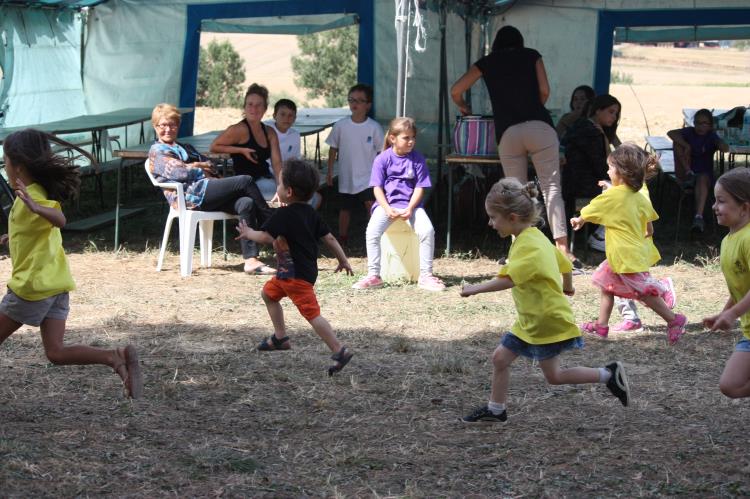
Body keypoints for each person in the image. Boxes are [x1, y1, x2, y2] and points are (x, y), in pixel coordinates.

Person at [460, 177, 630, 423]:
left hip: (545, 320)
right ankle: (496, 410)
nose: (490, 223)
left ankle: (608, 375)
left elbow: (509, 279)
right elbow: (565, 265)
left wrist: (474, 289)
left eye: (493, 217)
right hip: (532, 319)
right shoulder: (532, 237)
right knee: (501, 359)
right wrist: (568, 287)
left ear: (513, 218)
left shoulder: (530, 246)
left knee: (554, 376)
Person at [0, 129, 142, 398]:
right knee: (56, 352)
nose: (4, 165)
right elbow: (38, 231)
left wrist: (36, 207)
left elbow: (58, 219)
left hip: (32, 288)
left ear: (17, 166)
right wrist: (13, 236)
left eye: (5, 160)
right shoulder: (35, 193)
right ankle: (115, 356)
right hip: (56, 286)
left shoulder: (33, 197)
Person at [450, 25, 579, 268]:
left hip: (507, 131)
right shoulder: (531, 55)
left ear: (496, 44)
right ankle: (562, 248)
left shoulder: (486, 62)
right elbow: (544, 90)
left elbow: (455, 90)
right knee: (551, 189)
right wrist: (533, 107)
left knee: (518, 193)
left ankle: (519, 250)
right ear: (519, 41)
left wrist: (463, 106)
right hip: (540, 126)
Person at [236, 159, 354, 375]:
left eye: (279, 185)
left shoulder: (283, 215)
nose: (277, 189)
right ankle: (280, 338)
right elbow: (329, 238)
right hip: (292, 274)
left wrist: (248, 232)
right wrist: (343, 260)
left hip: (294, 277)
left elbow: (264, 236)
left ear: (288, 191)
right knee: (269, 294)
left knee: (312, 314)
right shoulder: (310, 213)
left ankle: (339, 350)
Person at [571, 143, 687, 344]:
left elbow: (592, 208)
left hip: (624, 257)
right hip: (628, 254)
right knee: (607, 286)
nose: (607, 171)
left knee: (643, 294)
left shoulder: (613, 196)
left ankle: (674, 320)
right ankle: (602, 325)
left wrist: (579, 219)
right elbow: (649, 228)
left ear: (621, 172)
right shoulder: (639, 196)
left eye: (610, 167)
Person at [148, 103, 274, 274]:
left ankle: (251, 260)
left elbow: (212, 165)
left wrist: (196, 166)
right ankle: (272, 228)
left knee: (246, 203)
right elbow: (180, 172)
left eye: (172, 124)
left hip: (207, 192)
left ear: (178, 125)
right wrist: (199, 167)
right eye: (163, 125)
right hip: (190, 197)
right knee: (245, 180)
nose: (168, 129)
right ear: (155, 126)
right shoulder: (157, 152)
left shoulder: (185, 148)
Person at [351, 117, 445, 292]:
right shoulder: (382, 159)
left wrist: (410, 208)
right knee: (372, 232)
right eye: (406, 138)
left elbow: (420, 187)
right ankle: (374, 276)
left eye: (413, 138)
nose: (411, 141)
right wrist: (387, 208)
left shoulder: (418, 159)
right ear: (393, 138)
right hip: (386, 207)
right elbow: (377, 189)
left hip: (413, 207)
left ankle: (425, 276)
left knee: (427, 231)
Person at [704, 168, 750, 398]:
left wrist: (732, 315)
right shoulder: (728, 240)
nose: (714, 207)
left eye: (721, 201)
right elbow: (741, 285)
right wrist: (724, 313)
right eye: (715, 200)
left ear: (744, 208)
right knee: (730, 385)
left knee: (731, 384)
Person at [561, 94, 622, 252]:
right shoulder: (591, 132)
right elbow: (600, 167)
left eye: (616, 114)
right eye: (611, 112)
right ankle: (600, 236)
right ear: (597, 110)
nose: (614, 117)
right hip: (582, 186)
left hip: (572, 184)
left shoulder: (586, 126)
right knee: (623, 194)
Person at [326, 83, 385, 245]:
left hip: (369, 176)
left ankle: (374, 238)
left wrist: (382, 176)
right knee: (345, 209)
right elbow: (333, 148)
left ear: (368, 105)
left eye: (360, 100)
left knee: (371, 206)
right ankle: (342, 238)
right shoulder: (340, 126)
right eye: (351, 100)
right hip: (346, 176)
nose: (355, 103)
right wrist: (330, 171)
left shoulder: (374, 127)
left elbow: (382, 153)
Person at [210, 83, 283, 203]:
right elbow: (214, 146)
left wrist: (281, 186)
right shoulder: (239, 129)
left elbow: (277, 163)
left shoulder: (269, 132)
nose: (254, 109)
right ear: (244, 107)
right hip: (248, 184)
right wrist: (240, 150)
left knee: (292, 193)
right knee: (285, 197)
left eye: (259, 105)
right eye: (250, 104)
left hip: (266, 179)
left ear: (265, 109)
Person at [667, 108, 729, 233]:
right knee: (678, 143)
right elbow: (671, 133)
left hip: (703, 175)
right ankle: (689, 174)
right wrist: (686, 145)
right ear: (693, 123)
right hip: (686, 172)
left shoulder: (711, 136)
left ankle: (698, 218)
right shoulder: (689, 132)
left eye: (704, 123)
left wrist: (720, 143)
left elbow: (724, 148)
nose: (700, 126)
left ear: (710, 126)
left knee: (701, 178)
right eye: (697, 123)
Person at [264, 98, 322, 209]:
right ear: (274, 115)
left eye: (291, 115)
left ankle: (303, 222)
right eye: (283, 114)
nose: (287, 118)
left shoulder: (295, 135)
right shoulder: (266, 130)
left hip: (287, 177)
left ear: (295, 118)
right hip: (268, 175)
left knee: (317, 198)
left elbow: (294, 162)